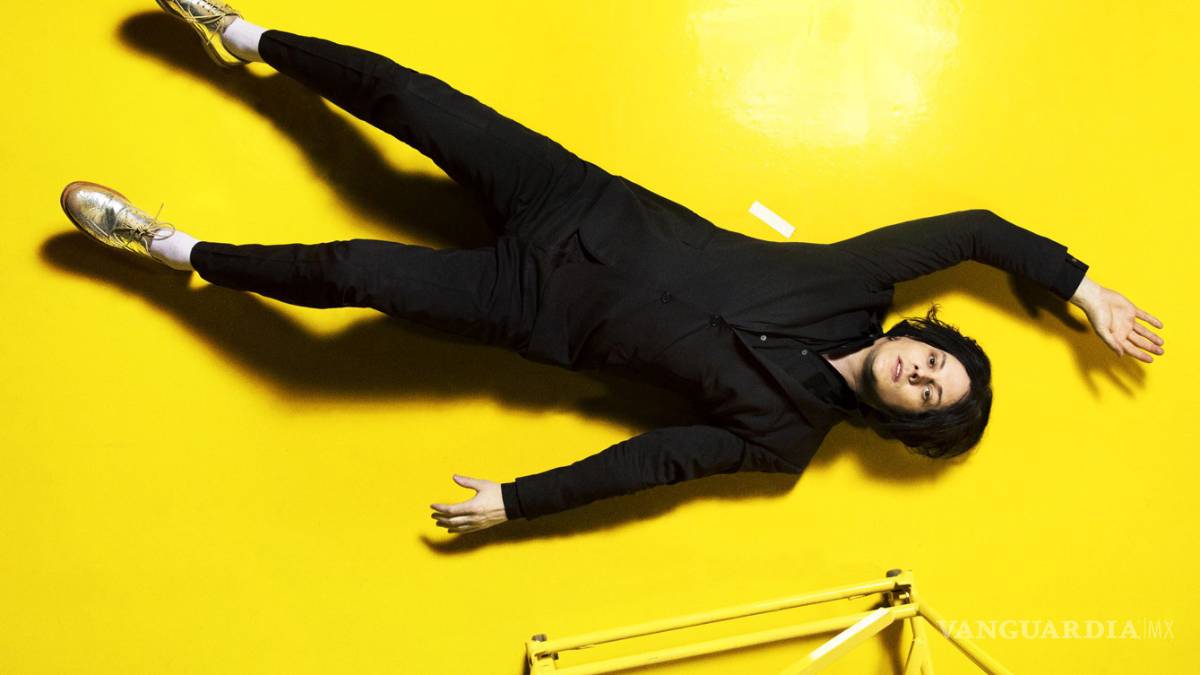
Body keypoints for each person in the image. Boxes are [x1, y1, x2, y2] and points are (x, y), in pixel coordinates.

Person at [62, 1, 1165, 534]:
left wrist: (517, 502)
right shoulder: (857, 282)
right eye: (937, 363)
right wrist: (1082, 287)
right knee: (407, 98)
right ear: (924, 336)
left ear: (903, 422)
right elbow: (972, 227)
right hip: (572, 197)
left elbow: (650, 466)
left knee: (346, 273)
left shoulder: (778, 444)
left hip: (528, 309)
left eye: (929, 398)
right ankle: (241, 34)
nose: (921, 375)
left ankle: (170, 247)